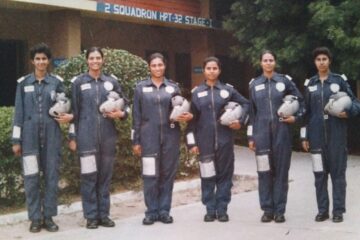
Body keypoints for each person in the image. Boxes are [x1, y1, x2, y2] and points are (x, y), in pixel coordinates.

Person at [12, 43, 73, 233]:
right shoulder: (23, 83)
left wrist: (67, 118)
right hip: (29, 139)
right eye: (37, 59)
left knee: (51, 177)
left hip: (52, 137)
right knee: (31, 179)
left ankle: (48, 217)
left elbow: (66, 105)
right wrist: (16, 140)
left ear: (48, 61)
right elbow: (18, 113)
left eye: (44, 59)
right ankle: (35, 219)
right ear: (32, 61)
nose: (41, 62)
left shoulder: (56, 83)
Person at [68, 47, 128, 229]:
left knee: (105, 177)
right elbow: (74, 112)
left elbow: (125, 103)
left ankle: (104, 214)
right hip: (86, 137)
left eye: (98, 58)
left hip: (107, 137)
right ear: (87, 61)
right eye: (92, 58)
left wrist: (121, 114)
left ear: (103, 60)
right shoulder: (78, 83)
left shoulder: (111, 82)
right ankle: (91, 216)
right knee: (89, 177)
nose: (95, 61)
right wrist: (73, 136)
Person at [132, 53, 193, 225]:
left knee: (167, 174)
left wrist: (185, 116)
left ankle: (164, 211)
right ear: (149, 67)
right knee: (150, 175)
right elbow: (136, 117)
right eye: (154, 65)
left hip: (170, 136)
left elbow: (179, 110)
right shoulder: (140, 88)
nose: (157, 68)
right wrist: (135, 140)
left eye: (160, 65)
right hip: (148, 138)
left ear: (165, 66)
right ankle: (151, 212)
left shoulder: (173, 87)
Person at [186, 56, 249, 222]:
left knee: (225, 176)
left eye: (215, 68)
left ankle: (222, 209)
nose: (211, 71)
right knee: (207, 176)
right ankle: (209, 209)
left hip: (225, 141)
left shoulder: (228, 90)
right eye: (208, 68)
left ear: (219, 70)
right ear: (204, 71)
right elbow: (191, 121)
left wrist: (240, 122)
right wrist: (191, 142)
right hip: (204, 143)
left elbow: (246, 104)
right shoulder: (197, 93)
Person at [301, 47, 360, 223]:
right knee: (319, 176)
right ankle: (323, 210)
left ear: (329, 61)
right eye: (318, 59)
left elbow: (355, 103)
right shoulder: (310, 84)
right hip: (317, 138)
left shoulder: (339, 81)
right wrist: (305, 136)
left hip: (336, 137)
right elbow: (306, 112)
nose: (321, 62)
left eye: (324, 59)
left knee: (338, 176)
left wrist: (348, 113)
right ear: (315, 62)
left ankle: (338, 211)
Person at [247, 50, 305, 223]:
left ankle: (279, 210)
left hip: (282, 133)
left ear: (275, 62)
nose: (268, 63)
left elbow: (300, 102)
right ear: (260, 63)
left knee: (281, 173)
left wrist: (296, 117)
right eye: (265, 60)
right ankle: (267, 210)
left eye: (271, 60)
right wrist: (251, 137)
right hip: (262, 134)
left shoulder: (285, 81)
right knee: (264, 172)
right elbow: (252, 113)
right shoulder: (254, 84)